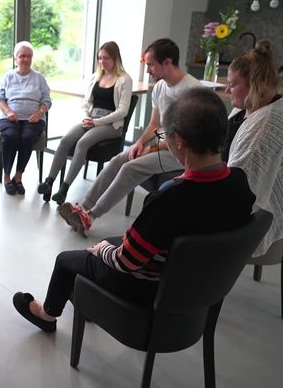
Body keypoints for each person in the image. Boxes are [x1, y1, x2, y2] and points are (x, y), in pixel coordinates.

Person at [13, 88, 255, 332]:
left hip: (150, 290)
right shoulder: (239, 181)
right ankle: (86, 299)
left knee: (67, 259)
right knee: (108, 244)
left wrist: (103, 250)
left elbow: (125, 262)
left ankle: (47, 314)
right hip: (198, 288)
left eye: (164, 135)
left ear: (179, 140)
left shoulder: (170, 199)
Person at [59, 38, 200, 235]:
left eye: (151, 64)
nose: (148, 70)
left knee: (131, 166)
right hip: (163, 141)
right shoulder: (160, 87)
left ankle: (90, 217)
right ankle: (82, 208)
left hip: (183, 152)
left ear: (167, 62)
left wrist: (150, 148)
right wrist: (139, 143)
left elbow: (184, 138)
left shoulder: (192, 90)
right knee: (119, 159)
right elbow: (155, 124)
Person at [38, 41, 132, 204]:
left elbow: (122, 111)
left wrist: (97, 122)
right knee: (65, 139)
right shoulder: (96, 77)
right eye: (100, 58)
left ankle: (64, 189)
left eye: (106, 58)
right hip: (91, 119)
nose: (102, 62)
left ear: (115, 58)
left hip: (111, 125)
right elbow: (86, 103)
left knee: (83, 143)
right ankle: (49, 182)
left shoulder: (124, 79)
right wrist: (86, 117)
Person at [227, 40, 283, 257]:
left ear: (256, 84)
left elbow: (238, 190)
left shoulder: (265, 126)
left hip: (250, 220)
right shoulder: (249, 108)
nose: (227, 89)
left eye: (233, 84)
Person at [0, 41, 52, 195]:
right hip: (10, 117)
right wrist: (8, 112)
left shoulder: (39, 78)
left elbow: (47, 100)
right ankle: (7, 176)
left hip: (33, 118)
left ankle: (18, 176)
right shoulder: (7, 77)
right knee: (10, 136)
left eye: (28, 56)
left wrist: (40, 113)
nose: (25, 59)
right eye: (22, 56)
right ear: (15, 59)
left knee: (27, 137)